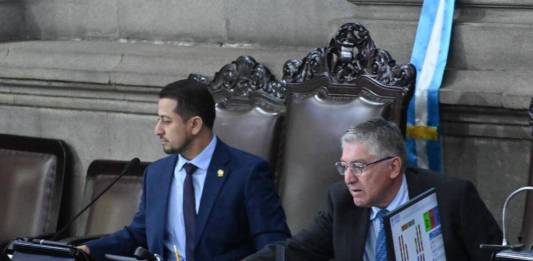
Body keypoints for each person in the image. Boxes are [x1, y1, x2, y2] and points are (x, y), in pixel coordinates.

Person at [79, 78, 290, 261]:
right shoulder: (157, 173)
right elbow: (139, 234)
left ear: (195, 125)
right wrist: (88, 250)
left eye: (166, 121)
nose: (157, 130)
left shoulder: (247, 173)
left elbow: (273, 244)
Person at [244, 118, 502, 261]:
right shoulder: (342, 201)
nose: (348, 178)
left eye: (358, 166)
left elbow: (496, 259)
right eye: (343, 166)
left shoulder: (451, 198)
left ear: (393, 167)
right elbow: (295, 251)